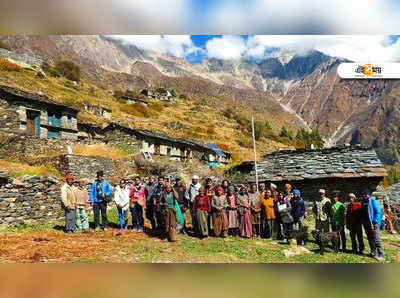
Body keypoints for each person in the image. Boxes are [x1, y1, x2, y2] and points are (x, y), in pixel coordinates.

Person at [361, 189, 385, 261]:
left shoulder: (373, 200)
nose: (365, 196)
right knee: (370, 238)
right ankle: (373, 252)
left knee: (377, 239)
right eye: (364, 194)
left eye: (366, 194)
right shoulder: (363, 202)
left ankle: (381, 255)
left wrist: (375, 222)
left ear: (369, 194)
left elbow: (378, 212)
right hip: (366, 223)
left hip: (373, 223)